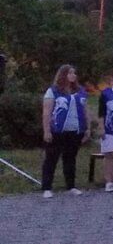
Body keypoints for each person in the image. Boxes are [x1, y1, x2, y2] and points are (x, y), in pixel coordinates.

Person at [41, 64, 88, 198]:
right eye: (70, 73)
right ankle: (47, 187)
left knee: (70, 158)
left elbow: (85, 110)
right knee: (51, 158)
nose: (73, 75)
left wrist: (88, 128)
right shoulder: (53, 91)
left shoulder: (80, 91)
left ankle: (71, 185)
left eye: (74, 73)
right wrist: (47, 130)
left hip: (75, 130)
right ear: (63, 75)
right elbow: (47, 112)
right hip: (57, 130)